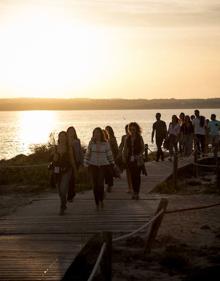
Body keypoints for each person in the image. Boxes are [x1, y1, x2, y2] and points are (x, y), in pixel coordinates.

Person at [84, 127, 114, 210]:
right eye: (95, 133)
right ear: (93, 134)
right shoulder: (91, 143)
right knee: (94, 185)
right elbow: (87, 154)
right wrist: (85, 164)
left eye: (98, 133)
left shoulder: (105, 143)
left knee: (100, 184)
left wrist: (112, 163)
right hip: (92, 165)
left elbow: (109, 154)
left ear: (101, 134)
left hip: (103, 166)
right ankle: (97, 203)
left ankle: (101, 200)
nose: (97, 134)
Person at [52, 131, 74, 215]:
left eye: (64, 136)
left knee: (63, 189)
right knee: (59, 191)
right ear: (59, 138)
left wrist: (75, 171)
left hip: (67, 170)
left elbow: (72, 159)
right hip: (57, 171)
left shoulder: (69, 148)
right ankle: (64, 204)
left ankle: (62, 207)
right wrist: (55, 157)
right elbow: (52, 160)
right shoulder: (55, 147)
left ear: (66, 138)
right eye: (60, 136)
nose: (62, 138)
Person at [123, 122, 145, 200]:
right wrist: (124, 157)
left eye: (134, 129)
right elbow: (125, 149)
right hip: (130, 160)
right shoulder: (127, 138)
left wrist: (139, 155)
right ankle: (134, 192)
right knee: (132, 176)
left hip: (138, 159)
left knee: (137, 176)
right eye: (131, 129)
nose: (132, 131)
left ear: (136, 129)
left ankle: (137, 193)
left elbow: (143, 148)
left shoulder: (139, 138)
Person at [66, 126, 83, 202]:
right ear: (67, 132)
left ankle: (70, 195)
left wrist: (82, 162)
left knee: (72, 179)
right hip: (67, 162)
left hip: (76, 161)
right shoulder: (65, 141)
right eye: (70, 131)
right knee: (69, 179)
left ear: (74, 132)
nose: (71, 133)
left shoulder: (77, 140)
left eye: (72, 131)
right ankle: (71, 194)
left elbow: (80, 151)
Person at [118, 125, 132, 193]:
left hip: (134, 157)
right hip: (127, 157)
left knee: (134, 173)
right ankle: (129, 187)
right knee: (128, 172)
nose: (127, 131)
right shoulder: (124, 137)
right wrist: (120, 153)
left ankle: (133, 187)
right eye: (126, 129)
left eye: (128, 129)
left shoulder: (135, 137)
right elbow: (121, 145)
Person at [105, 126, 119, 192]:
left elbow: (116, 148)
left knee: (110, 172)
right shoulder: (106, 139)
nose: (106, 131)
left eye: (107, 130)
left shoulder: (113, 139)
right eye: (106, 130)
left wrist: (116, 157)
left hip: (112, 158)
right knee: (108, 172)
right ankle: (109, 185)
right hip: (106, 158)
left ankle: (109, 185)